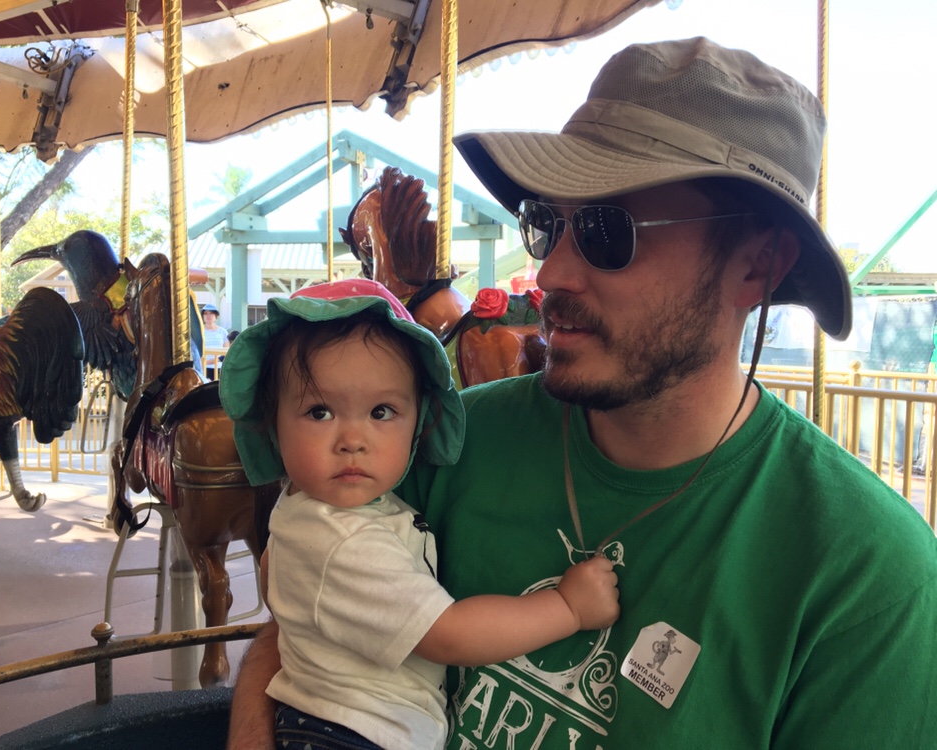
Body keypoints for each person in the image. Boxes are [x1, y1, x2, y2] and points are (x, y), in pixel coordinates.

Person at [228, 38, 937, 749]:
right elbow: (304, 639)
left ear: (758, 266)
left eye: (606, 232)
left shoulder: (865, 577)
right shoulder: (444, 440)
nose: (551, 274)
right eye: (548, 224)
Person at [220, 279, 619, 750]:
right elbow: (449, 636)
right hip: (354, 735)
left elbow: (273, 576)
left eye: (381, 412)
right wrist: (567, 608)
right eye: (319, 412)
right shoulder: (345, 539)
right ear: (273, 426)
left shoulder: (315, 514)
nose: (352, 440)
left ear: (419, 422)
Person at [200, 303, 229, 379]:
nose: (208, 316)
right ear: (202, 316)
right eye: (206, 313)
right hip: (202, 369)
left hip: (219, 369)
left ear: (216, 316)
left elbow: (226, 352)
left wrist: (210, 361)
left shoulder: (223, 332)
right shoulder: (199, 332)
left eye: (211, 313)